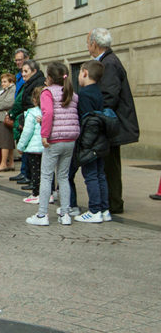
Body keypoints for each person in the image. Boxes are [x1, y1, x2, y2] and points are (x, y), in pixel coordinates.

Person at [87, 28, 140, 215]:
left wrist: (97, 116)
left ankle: (113, 203)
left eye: (88, 43)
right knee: (109, 164)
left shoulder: (108, 63)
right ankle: (111, 201)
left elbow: (109, 95)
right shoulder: (107, 61)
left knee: (110, 165)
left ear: (94, 44)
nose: (87, 47)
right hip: (111, 122)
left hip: (111, 124)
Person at [26, 62, 79, 226]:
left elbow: (48, 113)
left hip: (54, 139)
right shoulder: (71, 93)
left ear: (49, 77)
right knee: (63, 176)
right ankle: (65, 213)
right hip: (70, 139)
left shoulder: (47, 93)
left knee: (46, 176)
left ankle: (42, 214)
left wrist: (44, 134)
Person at [74, 60, 109, 222]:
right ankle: (104, 209)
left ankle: (94, 210)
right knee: (100, 174)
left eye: (80, 72)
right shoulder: (98, 92)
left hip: (90, 141)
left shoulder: (84, 94)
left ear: (85, 73)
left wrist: (84, 143)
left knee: (91, 175)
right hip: (101, 139)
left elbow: (86, 120)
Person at [9, 59, 44, 186]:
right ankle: (28, 176)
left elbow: (28, 102)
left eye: (26, 71)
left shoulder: (38, 83)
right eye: (22, 71)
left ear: (34, 71)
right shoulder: (28, 83)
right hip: (27, 116)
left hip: (34, 120)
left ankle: (34, 182)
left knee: (35, 158)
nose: (23, 74)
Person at [17, 87, 46, 205]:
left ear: (34, 99)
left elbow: (27, 132)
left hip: (34, 148)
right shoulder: (49, 111)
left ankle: (36, 194)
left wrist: (21, 146)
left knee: (36, 172)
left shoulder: (32, 113)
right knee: (48, 173)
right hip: (46, 147)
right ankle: (49, 193)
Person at [0, 73, 17, 171]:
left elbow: (9, 103)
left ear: (11, 82)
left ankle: (3, 164)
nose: (3, 84)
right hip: (1, 117)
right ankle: (11, 163)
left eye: (5, 82)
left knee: (4, 142)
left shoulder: (12, 89)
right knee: (8, 141)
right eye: (2, 82)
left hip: (3, 118)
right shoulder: (6, 90)